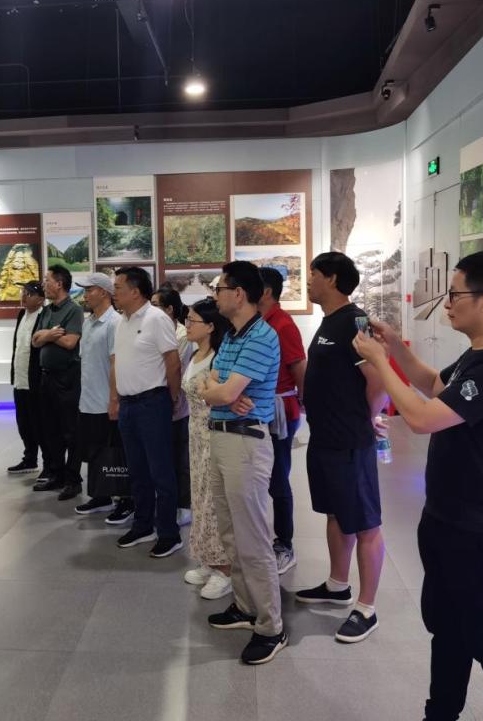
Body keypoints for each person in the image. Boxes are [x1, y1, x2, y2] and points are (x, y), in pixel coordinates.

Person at [353, 251, 483, 721]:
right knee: (447, 630)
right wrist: (395, 348)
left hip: (481, 530)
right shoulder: (478, 356)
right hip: (447, 519)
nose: (447, 303)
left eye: (455, 294)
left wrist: (379, 362)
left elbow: (421, 418)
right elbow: (436, 385)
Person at [295, 251, 388, 644]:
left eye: (313, 273)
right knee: (335, 512)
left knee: (365, 522)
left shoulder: (355, 321)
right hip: (325, 438)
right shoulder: (330, 320)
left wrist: (366, 417)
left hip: (350, 440)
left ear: (331, 278)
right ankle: (337, 585)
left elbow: (379, 380)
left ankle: (366, 608)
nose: (308, 280)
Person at [200, 261, 286, 666]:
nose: (215, 295)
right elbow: (209, 382)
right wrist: (219, 389)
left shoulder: (261, 336)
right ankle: (245, 606)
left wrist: (219, 390)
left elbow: (220, 391)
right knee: (231, 533)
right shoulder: (233, 335)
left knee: (252, 538)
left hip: (245, 442)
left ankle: (271, 627)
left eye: (220, 288)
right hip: (222, 436)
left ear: (239, 294)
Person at [109, 267, 183, 558]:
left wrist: (173, 397)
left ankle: (169, 533)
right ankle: (143, 525)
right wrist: (114, 399)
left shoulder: (156, 318)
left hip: (153, 403)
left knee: (161, 471)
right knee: (137, 471)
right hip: (128, 405)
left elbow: (172, 361)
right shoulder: (121, 322)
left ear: (135, 291)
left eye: (118, 287)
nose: (114, 292)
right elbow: (117, 362)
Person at [180, 297, 233, 600]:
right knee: (200, 497)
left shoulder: (218, 357)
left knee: (214, 502)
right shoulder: (195, 354)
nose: (187, 325)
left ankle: (224, 569)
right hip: (195, 435)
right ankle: (207, 558)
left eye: (192, 320)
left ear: (211, 326)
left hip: (213, 434)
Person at [257, 266, 307, 574]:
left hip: (279, 411)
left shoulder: (283, 324)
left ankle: (284, 544)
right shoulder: (257, 321)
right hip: (258, 409)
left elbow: (299, 368)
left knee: (278, 478)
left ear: (265, 291)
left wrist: (303, 404)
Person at [70, 273, 127, 514]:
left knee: (113, 452)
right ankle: (100, 495)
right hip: (88, 400)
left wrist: (114, 399)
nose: (85, 295)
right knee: (94, 450)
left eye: (89, 290)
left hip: (106, 400)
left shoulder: (114, 322)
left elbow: (116, 363)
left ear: (104, 292)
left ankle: (123, 497)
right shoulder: (89, 322)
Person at [31, 265, 84, 495]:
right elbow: (34, 340)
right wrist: (51, 334)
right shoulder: (46, 311)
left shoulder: (74, 310)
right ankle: (56, 474)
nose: (44, 284)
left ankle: (73, 480)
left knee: (70, 430)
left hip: (67, 377)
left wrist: (47, 336)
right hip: (46, 377)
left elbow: (71, 342)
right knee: (50, 429)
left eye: (47, 280)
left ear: (59, 284)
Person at [153, 284, 194, 526]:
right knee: (161, 457)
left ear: (169, 309)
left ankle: (183, 505)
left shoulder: (181, 335)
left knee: (180, 457)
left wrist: (173, 397)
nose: (150, 309)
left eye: (155, 305)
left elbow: (173, 367)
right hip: (155, 403)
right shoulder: (152, 329)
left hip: (176, 402)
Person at [8, 280, 46, 475]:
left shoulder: (44, 316)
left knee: (39, 424)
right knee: (23, 423)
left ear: (40, 299)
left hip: (35, 381)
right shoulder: (21, 314)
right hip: (20, 378)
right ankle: (29, 458)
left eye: (29, 294)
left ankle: (49, 464)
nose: (23, 296)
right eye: (23, 292)